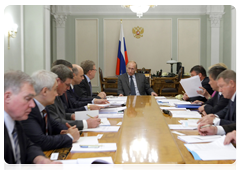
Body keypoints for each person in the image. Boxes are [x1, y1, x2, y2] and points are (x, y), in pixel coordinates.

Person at [4, 70, 63, 170]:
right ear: (7, 97)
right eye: (27, 98)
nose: (32, 104)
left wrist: (39, 158)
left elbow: (28, 145)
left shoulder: (15, 121)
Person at [21, 70, 80, 151]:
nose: (56, 94)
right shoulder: (29, 110)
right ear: (44, 91)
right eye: (55, 89)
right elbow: (41, 142)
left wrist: (68, 130)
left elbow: (54, 124)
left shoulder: (43, 107)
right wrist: (69, 136)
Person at [46, 64, 101, 130]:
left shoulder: (57, 95)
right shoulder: (49, 98)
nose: (68, 88)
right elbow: (56, 122)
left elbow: (61, 115)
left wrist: (71, 116)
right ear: (58, 81)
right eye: (67, 85)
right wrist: (85, 123)